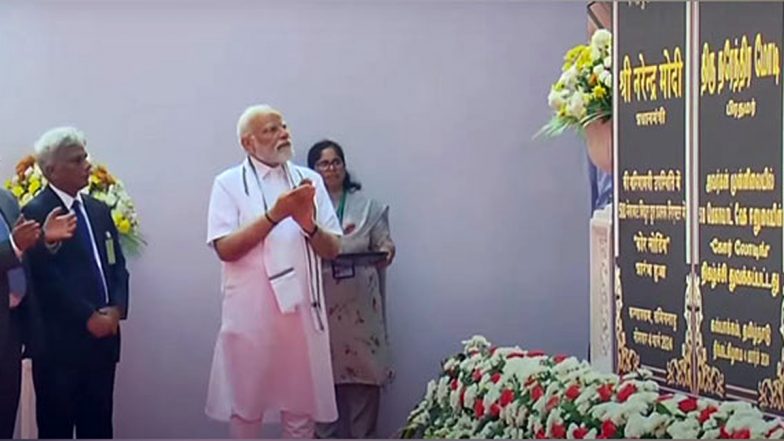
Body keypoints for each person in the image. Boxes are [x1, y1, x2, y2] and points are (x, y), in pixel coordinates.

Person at [205, 104, 342, 439]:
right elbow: (225, 248)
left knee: (301, 411)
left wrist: (309, 225)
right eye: (271, 129)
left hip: (300, 315)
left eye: (284, 126)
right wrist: (275, 215)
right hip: (251, 316)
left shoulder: (308, 181)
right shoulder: (228, 183)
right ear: (248, 143)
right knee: (246, 409)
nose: (283, 134)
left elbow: (333, 248)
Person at [23, 126, 130, 439]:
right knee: (56, 429)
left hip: (103, 344)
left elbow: (117, 266)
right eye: (76, 160)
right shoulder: (35, 212)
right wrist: (87, 316)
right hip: (60, 349)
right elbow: (44, 278)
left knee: (98, 428)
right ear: (51, 170)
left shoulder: (98, 210)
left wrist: (116, 309)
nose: (87, 164)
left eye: (86, 157)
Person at [307, 140, 395, 438]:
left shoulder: (368, 208)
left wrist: (387, 250)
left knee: (363, 389)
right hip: (321, 312)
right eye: (323, 163)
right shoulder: (305, 210)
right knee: (321, 391)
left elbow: (384, 244)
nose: (331, 168)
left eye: (336, 162)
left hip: (360, 313)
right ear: (313, 170)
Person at [0, 182, 76, 439]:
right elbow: (14, 247)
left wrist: (43, 238)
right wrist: (14, 244)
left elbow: (22, 257)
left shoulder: (6, 200)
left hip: (10, 331)